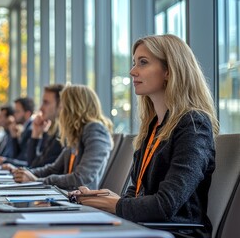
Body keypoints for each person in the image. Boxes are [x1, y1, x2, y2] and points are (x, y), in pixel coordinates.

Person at [70, 34, 219, 238]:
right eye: (134, 63)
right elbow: (137, 191)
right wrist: (101, 198)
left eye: (143, 62)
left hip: (176, 233)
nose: (132, 71)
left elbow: (165, 204)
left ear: (169, 70)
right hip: (146, 229)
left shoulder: (194, 124)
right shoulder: (154, 126)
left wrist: (113, 203)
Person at [12, 85, 113, 190]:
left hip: (80, 201)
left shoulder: (94, 130)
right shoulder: (77, 134)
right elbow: (53, 169)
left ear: (73, 108)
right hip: (67, 196)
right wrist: (26, 173)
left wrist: (37, 181)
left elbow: (81, 179)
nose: (60, 111)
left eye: (62, 106)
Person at [2, 84, 65, 170]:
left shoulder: (63, 135)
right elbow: (34, 164)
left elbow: (36, 166)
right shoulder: (51, 132)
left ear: (61, 105)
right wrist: (36, 134)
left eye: (46, 103)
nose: (41, 108)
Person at [0, 97, 34, 166]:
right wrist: (14, 136)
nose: (14, 114)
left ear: (27, 114)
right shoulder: (24, 129)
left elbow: (23, 160)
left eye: (17, 111)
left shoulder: (31, 130)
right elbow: (16, 156)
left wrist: (5, 161)